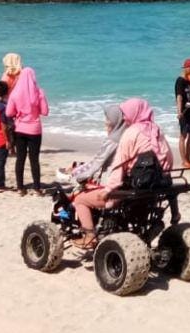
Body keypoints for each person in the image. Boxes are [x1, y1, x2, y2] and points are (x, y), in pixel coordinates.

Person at [73, 99, 175, 246]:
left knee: (80, 199)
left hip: (129, 190)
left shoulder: (131, 133)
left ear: (134, 114)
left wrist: (108, 190)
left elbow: (118, 167)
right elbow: (168, 158)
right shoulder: (157, 130)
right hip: (154, 188)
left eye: (126, 114)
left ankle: (89, 236)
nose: (125, 118)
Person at [69, 104, 134, 247]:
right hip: (130, 186)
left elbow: (96, 162)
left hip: (113, 188)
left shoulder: (113, 140)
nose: (105, 122)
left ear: (114, 120)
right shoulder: (131, 137)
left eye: (107, 119)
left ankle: (89, 236)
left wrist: (77, 175)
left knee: (79, 199)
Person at [7, 66, 49, 196]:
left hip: (20, 129)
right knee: (34, 159)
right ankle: (37, 187)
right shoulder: (39, 92)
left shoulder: (15, 93)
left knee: (20, 158)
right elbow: (45, 112)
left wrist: (19, 113)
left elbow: (9, 112)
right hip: (35, 129)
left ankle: (20, 187)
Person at [175, 58, 190, 168]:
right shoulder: (180, 80)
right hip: (183, 112)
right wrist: (179, 111)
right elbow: (179, 97)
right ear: (186, 67)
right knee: (183, 135)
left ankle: (188, 159)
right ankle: (184, 161)